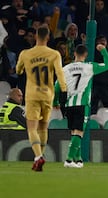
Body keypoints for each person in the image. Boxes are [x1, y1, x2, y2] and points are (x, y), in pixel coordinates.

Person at [16, 24, 67, 172]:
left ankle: (38, 156)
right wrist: (63, 89)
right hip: (47, 95)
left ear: (36, 36)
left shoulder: (26, 53)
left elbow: (19, 70)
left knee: (32, 128)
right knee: (43, 127)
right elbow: (60, 73)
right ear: (48, 37)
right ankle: (39, 157)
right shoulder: (55, 54)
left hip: (32, 95)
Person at [53, 44, 108, 168]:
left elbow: (56, 87)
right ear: (85, 55)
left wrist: (55, 102)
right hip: (82, 104)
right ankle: (68, 160)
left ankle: (78, 159)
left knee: (74, 131)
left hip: (68, 105)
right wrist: (104, 51)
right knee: (79, 132)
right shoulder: (89, 67)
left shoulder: (65, 69)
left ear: (74, 53)